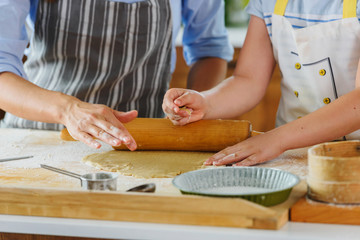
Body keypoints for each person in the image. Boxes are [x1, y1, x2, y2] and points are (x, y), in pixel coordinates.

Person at [0, 0, 233, 150]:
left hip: (139, 141)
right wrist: (68, 110)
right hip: (40, 138)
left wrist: (190, 110)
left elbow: (209, 50)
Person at [162, 0, 360, 166]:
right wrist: (206, 102)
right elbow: (248, 80)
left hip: (352, 156)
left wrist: (276, 139)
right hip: (291, 155)